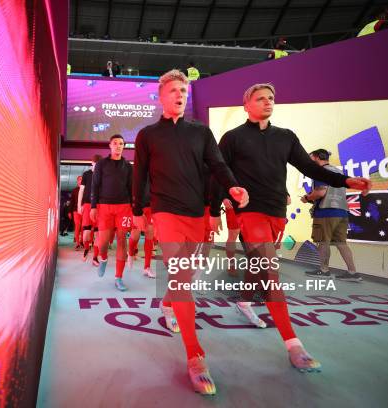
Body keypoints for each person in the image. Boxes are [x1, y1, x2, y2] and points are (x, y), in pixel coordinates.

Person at [217, 83, 372, 373]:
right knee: (270, 271)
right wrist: (218, 204)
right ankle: (293, 344)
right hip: (249, 211)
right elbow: (217, 171)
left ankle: (245, 301)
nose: (267, 102)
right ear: (246, 104)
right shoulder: (232, 138)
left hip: (277, 211)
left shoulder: (285, 137)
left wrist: (346, 180)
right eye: (260, 98)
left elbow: (310, 168)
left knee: (258, 265)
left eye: (271, 98)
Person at [133, 69, 249, 395]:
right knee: (182, 278)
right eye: (173, 90)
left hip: (197, 215)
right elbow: (139, 176)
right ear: (161, 96)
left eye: (183, 90)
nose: (180, 95)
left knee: (189, 273)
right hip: (165, 212)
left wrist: (233, 187)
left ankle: (167, 303)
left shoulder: (201, 132)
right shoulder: (147, 135)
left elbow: (218, 166)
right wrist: (139, 211)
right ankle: (196, 356)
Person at [302, 149, 362, 282]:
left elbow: (321, 192)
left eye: (310, 157)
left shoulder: (319, 171)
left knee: (323, 242)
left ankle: (324, 271)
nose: (308, 160)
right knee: (341, 243)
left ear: (317, 157)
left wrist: (307, 197)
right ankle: (353, 273)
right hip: (341, 211)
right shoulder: (339, 171)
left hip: (325, 211)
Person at [90, 134, 133, 291]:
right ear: (110, 145)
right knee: (103, 242)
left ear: (123, 146)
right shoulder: (102, 164)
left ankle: (119, 277)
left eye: (121, 143)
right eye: (115, 143)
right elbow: (95, 186)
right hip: (105, 207)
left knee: (122, 241)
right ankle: (103, 258)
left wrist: (134, 209)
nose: (118, 146)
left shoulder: (128, 167)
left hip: (124, 207)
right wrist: (93, 206)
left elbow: (131, 188)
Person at [79, 155, 103, 263]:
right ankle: (87, 248)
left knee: (99, 234)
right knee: (86, 235)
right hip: (88, 205)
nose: (97, 166)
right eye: (95, 164)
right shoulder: (86, 174)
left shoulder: (103, 176)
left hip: (100, 206)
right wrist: (79, 205)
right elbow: (81, 191)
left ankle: (95, 257)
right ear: (92, 163)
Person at [70, 176, 83, 249]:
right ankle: (77, 243)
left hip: (84, 210)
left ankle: (82, 241)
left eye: (82, 179)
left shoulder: (86, 190)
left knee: (83, 227)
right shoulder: (74, 190)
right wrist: (69, 211)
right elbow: (72, 202)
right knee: (77, 225)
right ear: (77, 181)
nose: (80, 181)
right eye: (79, 179)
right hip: (75, 210)